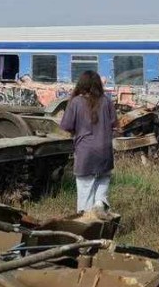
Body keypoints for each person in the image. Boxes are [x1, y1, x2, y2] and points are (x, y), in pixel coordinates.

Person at [59, 70, 117, 214]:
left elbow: (67, 126)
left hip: (85, 154)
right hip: (105, 153)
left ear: (81, 84)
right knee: (102, 184)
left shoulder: (76, 102)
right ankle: (99, 204)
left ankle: (87, 226)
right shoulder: (107, 101)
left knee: (85, 194)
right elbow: (115, 125)